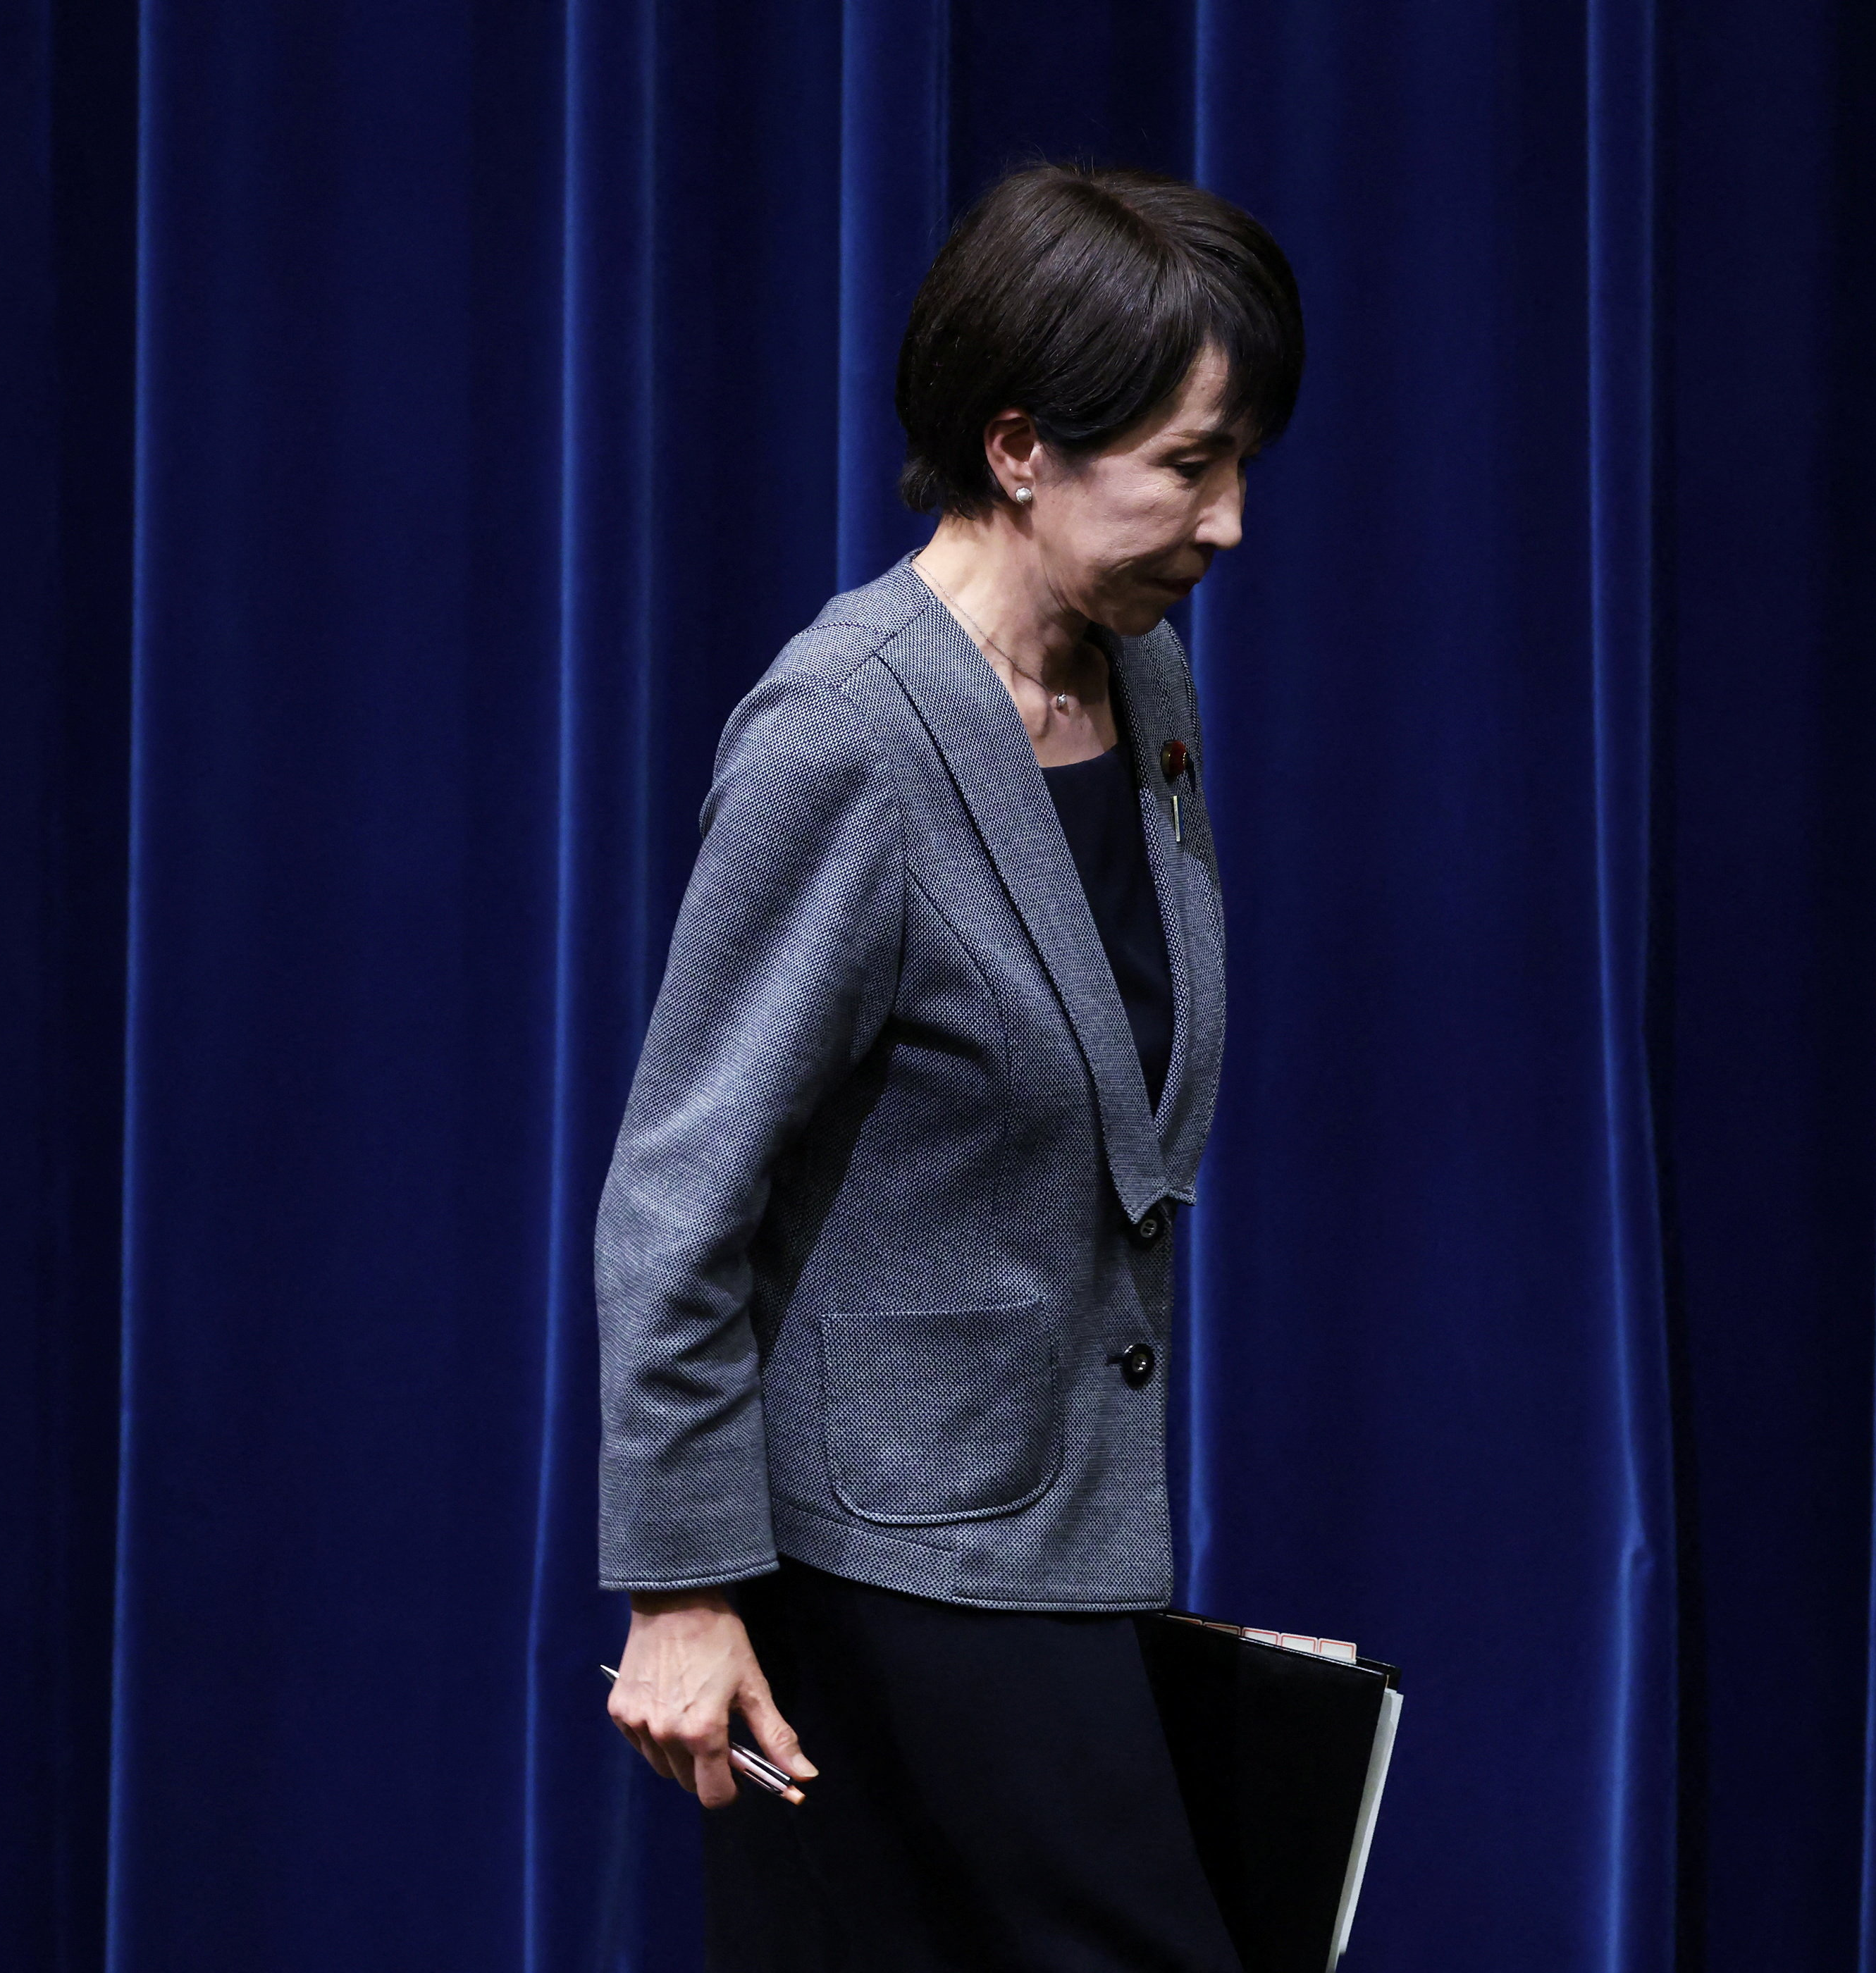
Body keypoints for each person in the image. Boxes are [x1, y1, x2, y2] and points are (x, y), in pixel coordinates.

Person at [592, 163, 1302, 1969]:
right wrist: (680, 1585)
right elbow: (677, 1191)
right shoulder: (844, 732)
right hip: (892, 1573)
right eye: (1190, 465)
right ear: (1017, 448)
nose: (1229, 523)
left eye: (1242, 465)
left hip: (1064, 1531)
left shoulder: (1143, 684)